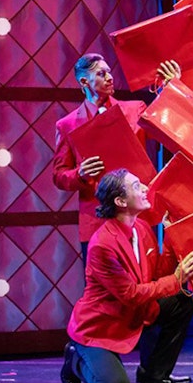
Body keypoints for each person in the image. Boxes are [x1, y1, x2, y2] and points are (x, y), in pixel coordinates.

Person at [61, 169, 193, 383]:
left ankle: (155, 377)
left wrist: (170, 237)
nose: (146, 188)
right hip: (101, 327)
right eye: (137, 186)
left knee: (181, 302)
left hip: (134, 313)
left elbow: (156, 275)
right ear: (120, 201)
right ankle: (75, 358)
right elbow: (131, 294)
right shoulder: (103, 245)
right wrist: (176, 279)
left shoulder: (142, 229)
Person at [52, 54, 149, 255]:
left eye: (109, 72)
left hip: (135, 217)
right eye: (101, 73)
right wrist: (80, 174)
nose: (110, 77)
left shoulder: (135, 110)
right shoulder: (67, 125)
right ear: (84, 81)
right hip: (95, 221)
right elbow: (59, 175)